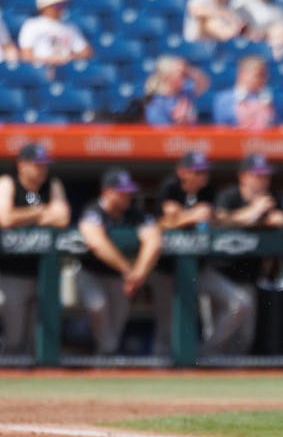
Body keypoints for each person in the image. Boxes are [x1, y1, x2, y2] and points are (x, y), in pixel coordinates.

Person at [149, 151, 254, 358]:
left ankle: (206, 351)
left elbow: (216, 219)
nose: (201, 176)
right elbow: (161, 224)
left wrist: (190, 216)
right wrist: (191, 216)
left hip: (199, 269)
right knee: (166, 328)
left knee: (241, 303)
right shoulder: (170, 188)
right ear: (182, 171)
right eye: (196, 172)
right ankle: (158, 373)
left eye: (204, 172)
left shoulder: (210, 191)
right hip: (166, 270)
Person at [74, 168, 162, 356]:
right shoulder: (92, 210)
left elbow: (153, 240)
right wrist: (128, 270)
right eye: (122, 192)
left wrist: (138, 273)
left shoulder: (135, 214)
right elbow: (97, 243)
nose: (128, 196)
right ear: (107, 192)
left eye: (129, 192)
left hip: (119, 279)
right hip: (91, 273)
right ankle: (108, 356)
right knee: (97, 307)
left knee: (116, 325)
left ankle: (105, 362)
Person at [213, 153, 283, 355]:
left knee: (244, 337)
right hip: (220, 272)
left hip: (249, 275)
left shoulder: (271, 198)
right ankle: (204, 359)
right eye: (257, 175)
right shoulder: (230, 196)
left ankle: (231, 377)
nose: (263, 180)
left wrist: (277, 219)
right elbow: (219, 221)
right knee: (227, 318)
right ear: (243, 176)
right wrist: (253, 212)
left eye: (265, 175)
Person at [0, 144, 71, 356]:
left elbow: (62, 217)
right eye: (37, 164)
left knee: (37, 339)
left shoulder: (51, 185)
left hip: (44, 275)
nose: (42, 169)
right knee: (15, 338)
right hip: (11, 274)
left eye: (44, 165)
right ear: (21, 164)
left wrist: (26, 215)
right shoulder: (8, 183)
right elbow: (5, 218)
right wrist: (40, 211)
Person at [17, 0, 93, 66]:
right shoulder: (31, 25)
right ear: (44, 6)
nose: (61, 8)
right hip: (41, 71)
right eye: (58, 5)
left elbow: (86, 52)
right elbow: (26, 55)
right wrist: (50, 60)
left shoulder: (70, 27)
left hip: (67, 71)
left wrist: (70, 57)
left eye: (63, 4)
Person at [142, 55, 210, 126]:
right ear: (167, 77)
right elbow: (162, 134)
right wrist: (180, 123)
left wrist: (188, 70)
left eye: (185, 75)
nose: (185, 78)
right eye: (181, 75)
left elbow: (203, 83)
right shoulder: (156, 104)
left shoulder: (185, 91)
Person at [212, 55, 278, 129]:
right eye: (259, 75)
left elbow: (276, 126)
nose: (264, 79)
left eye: (265, 75)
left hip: (266, 140)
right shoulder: (224, 99)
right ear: (242, 74)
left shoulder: (271, 98)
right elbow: (221, 128)